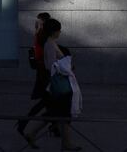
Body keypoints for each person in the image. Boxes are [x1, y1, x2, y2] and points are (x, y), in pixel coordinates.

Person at [24, 18, 82, 151]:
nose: (60, 32)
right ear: (54, 31)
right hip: (60, 85)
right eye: (58, 30)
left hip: (59, 84)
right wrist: (65, 67)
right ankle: (66, 143)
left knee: (56, 113)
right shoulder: (50, 44)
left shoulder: (51, 43)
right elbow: (50, 65)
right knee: (63, 113)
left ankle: (32, 133)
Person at [17, 13, 60, 142]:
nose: (38, 23)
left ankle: (53, 126)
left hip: (43, 72)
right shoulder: (43, 36)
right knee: (48, 103)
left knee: (48, 103)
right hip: (45, 74)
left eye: (40, 21)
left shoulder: (40, 33)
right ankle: (25, 124)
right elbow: (47, 55)